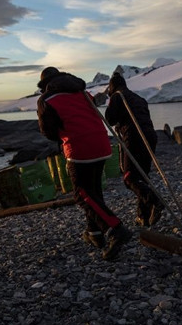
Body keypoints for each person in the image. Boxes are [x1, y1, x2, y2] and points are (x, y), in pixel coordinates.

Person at [36, 67, 133, 260]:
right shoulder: (83, 92)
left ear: (44, 84)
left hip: (79, 150)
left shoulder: (46, 100)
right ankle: (94, 233)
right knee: (93, 192)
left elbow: (48, 131)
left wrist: (63, 135)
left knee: (82, 194)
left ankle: (115, 228)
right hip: (102, 145)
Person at [104, 72, 165, 228]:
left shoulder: (117, 96)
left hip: (134, 138)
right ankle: (143, 217)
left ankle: (155, 200)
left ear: (112, 86)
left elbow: (110, 119)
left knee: (129, 177)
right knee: (142, 177)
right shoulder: (139, 98)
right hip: (150, 137)